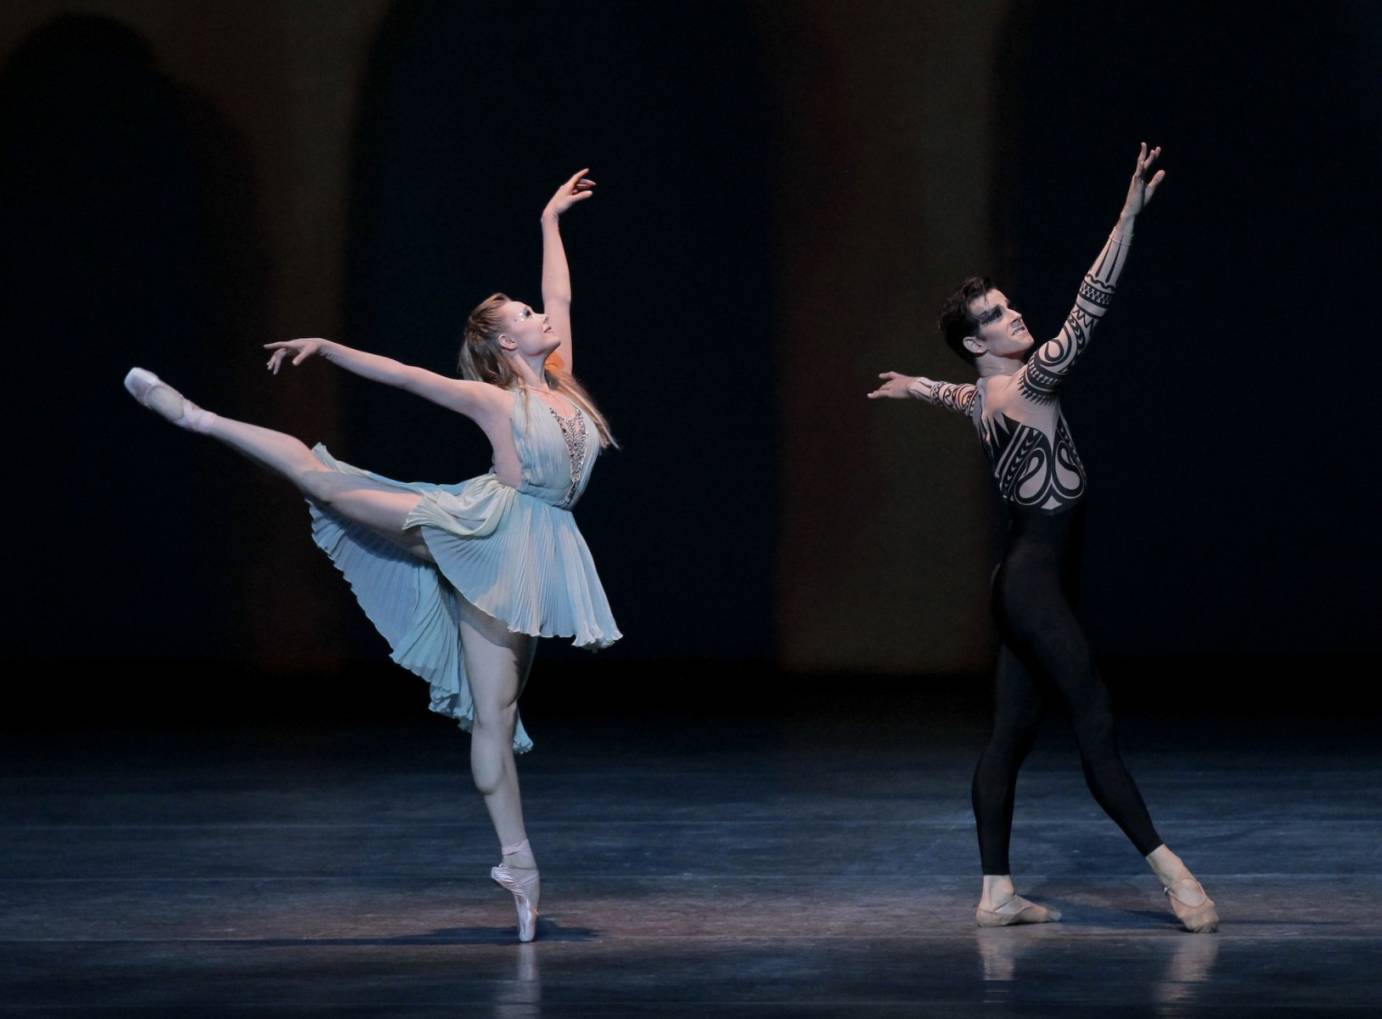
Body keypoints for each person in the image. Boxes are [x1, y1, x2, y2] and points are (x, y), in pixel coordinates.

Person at [124, 169, 620, 943]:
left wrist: (549, 220)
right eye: (522, 313)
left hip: (530, 551)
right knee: (324, 478)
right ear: (501, 343)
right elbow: (409, 377)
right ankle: (196, 416)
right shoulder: (499, 398)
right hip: (473, 525)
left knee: (494, 718)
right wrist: (328, 346)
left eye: (531, 307)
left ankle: (518, 867)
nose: (537, 312)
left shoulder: (560, 382)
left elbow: (562, 297)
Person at [869, 144, 1217, 933]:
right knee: (1094, 717)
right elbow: (1093, 305)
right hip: (1032, 583)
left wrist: (910, 384)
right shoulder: (1027, 381)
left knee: (1011, 733)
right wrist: (1126, 218)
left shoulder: (988, 391)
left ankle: (996, 893)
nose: (1012, 314)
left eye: (1004, 303)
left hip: (1025, 580)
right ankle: (1177, 878)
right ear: (978, 340)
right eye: (993, 316)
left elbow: (952, 392)